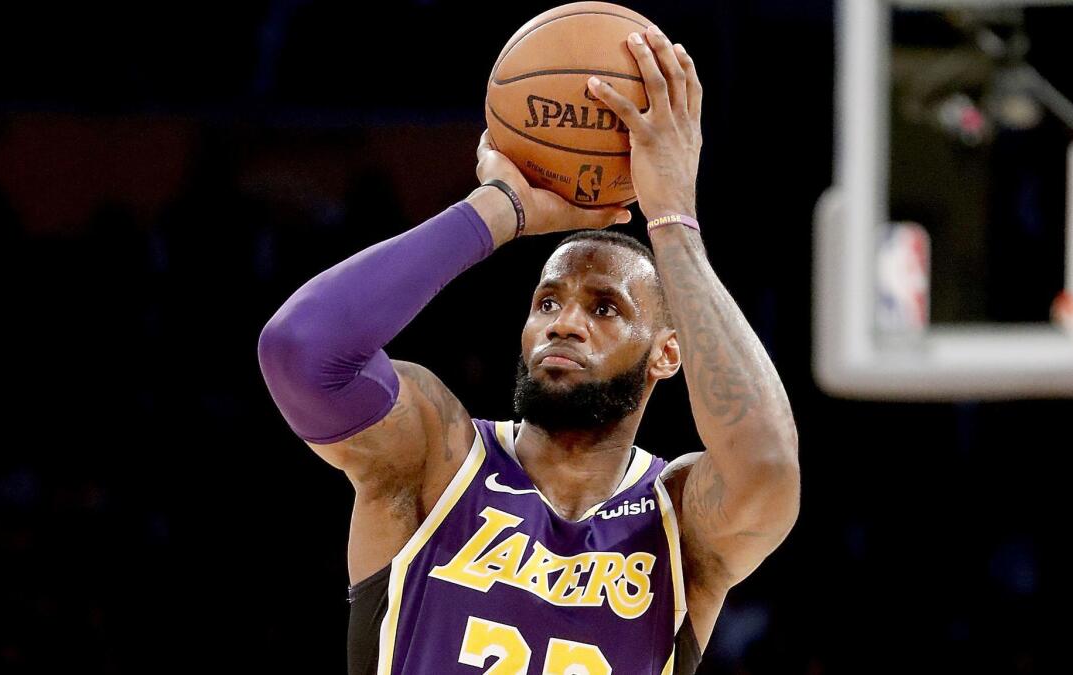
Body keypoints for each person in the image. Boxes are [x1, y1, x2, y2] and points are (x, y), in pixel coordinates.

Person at [258, 25, 799, 675]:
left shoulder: (679, 519)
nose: (564, 322)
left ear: (666, 354)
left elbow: (767, 465)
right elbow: (301, 349)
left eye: (604, 307)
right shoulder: (438, 460)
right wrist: (498, 209)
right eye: (547, 301)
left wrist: (673, 220)